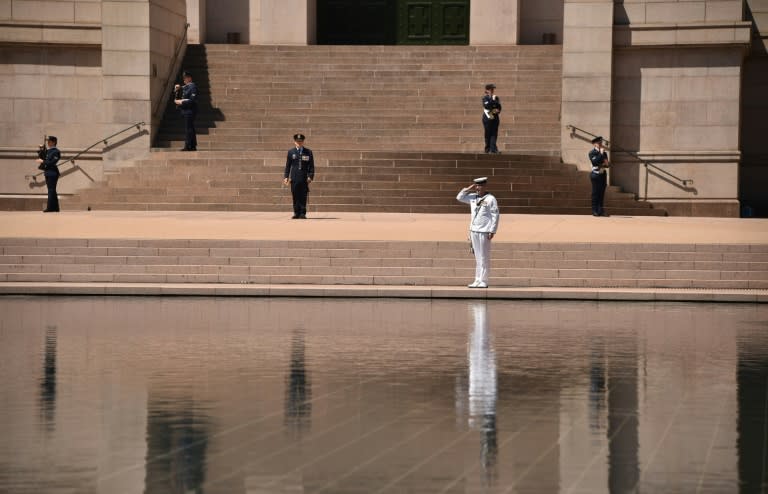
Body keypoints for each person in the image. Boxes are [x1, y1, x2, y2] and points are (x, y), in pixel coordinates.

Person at [457, 177, 500, 288]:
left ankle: (484, 280)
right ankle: (477, 279)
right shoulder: (472, 197)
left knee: (484, 256)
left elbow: (495, 215)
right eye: (476, 185)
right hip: (474, 231)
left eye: (479, 185)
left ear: (484, 186)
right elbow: (459, 197)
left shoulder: (491, 199)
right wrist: (467, 189)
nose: (477, 188)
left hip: (485, 231)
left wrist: (492, 230)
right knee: (478, 257)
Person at [283, 133, 314, 219]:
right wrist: (286, 176)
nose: (299, 143)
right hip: (294, 177)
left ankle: (302, 213)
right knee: (295, 195)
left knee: (303, 195)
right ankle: (296, 213)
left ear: (303, 142)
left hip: (304, 178)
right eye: (297, 141)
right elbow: (288, 165)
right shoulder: (291, 152)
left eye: (301, 141)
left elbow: (311, 166)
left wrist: (310, 176)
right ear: (294, 142)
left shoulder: (308, 152)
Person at [174, 70, 198, 151]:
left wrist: (181, 102)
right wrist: (177, 90)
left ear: (190, 78)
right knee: (190, 128)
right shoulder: (185, 87)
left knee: (188, 129)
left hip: (190, 111)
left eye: (186, 78)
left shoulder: (192, 87)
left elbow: (192, 100)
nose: (184, 79)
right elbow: (177, 97)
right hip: (185, 111)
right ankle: (193, 145)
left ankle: (188, 146)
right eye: (184, 78)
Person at [35, 135, 61, 213]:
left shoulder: (56, 151)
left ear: (53, 142)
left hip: (53, 173)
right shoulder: (48, 151)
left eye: (49, 141)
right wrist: (41, 149)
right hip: (47, 173)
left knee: (51, 190)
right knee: (52, 191)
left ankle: (50, 208)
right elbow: (42, 157)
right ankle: (56, 208)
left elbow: (52, 162)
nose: (48, 143)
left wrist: (43, 161)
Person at [588, 136, 610, 217]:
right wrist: (600, 154)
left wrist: (606, 164)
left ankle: (601, 210)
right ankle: (594, 210)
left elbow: (606, 163)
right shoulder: (592, 153)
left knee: (601, 193)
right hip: (595, 175)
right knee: (595, 193)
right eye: (598, 143)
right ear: (594, 144)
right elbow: (594, 162)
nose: (600, 144)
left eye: (601, 142)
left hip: (602, 174)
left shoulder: (604, 153)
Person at [482, 83, 502, 154]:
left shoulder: (496, 97)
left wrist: (496, 110)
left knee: (494, 133)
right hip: (487, 118)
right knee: (488, 134)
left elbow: (499, 108)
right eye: (491, 89)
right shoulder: (485, 98)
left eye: (493, 89)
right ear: (487, 90)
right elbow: (486, 106)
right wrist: (491, 99)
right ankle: (487, 148)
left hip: (495, 118)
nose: (492, 90)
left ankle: (493, 149)